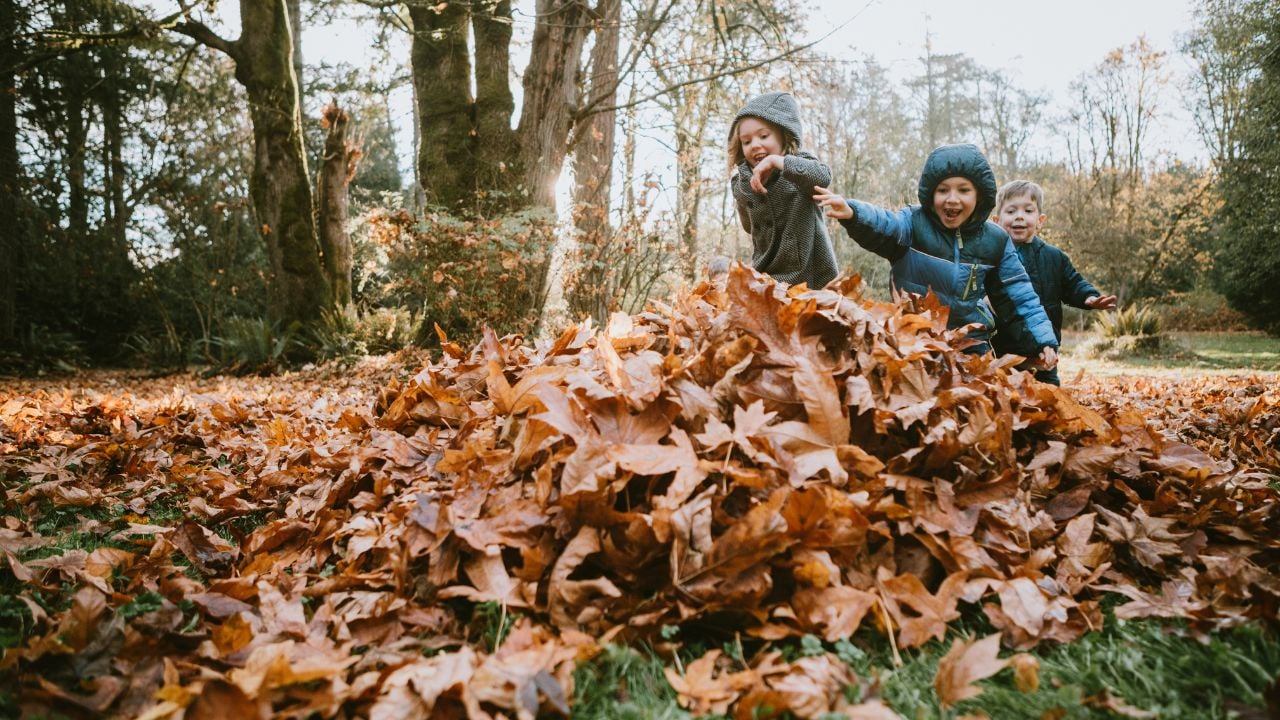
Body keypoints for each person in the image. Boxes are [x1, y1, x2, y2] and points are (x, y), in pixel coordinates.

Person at [813, 143, 1057, 366]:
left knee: (979, 397)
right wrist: (854, 212)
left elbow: (1019, 295)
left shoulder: (996, 241)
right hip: (914, 335)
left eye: (963, 190)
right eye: (943, 190)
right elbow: (886, 223)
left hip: (969, 341)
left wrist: (1042, 340)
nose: (952, 199)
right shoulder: (912, 224)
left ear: (979, 196)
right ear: (931, 194)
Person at [989, 180, 1118, 385]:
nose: (1019, 216)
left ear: (1040, 220)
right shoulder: (990, 258)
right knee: (1006, 398)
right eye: (1011, 211)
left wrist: (1089, 297)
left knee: (1049, 396)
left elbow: (1072, 283)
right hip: (1003, 350)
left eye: (1028, 210)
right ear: (996, 221)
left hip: (1044, 351)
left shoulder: (1053, 257)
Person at [728, 91, 839, 289]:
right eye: (746, 141)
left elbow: (823, 177)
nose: (755, 145)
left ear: (784, 134)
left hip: (811, 279)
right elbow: (749, 227)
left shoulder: (799, 167)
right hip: (767, 278)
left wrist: (777, 162)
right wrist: (746, 191)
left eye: (763, 136)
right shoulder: (741, 183)